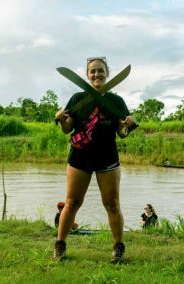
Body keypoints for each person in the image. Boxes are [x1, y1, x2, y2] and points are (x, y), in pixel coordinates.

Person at [53, 56, 136, 263]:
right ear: (87, 75)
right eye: (93, 71)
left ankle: (118, 248)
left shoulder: (116, 101)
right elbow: (67, 129)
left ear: (107, 73)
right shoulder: (77, 99)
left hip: (107, 158)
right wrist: (62, 119)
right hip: (79, 158)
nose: (97, 74)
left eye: (100, 70)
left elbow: (122, 132)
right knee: (72, 203)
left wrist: (128, 124)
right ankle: (60, 246)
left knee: (112, 203)